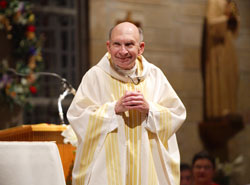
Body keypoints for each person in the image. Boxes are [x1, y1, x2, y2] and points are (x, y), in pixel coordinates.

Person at [67, 22, 186, 185]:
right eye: (117, 44)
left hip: (147, 167)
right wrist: (113, 109)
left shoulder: (154, 76)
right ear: (108, 47)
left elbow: (177, 114)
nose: (122, 51)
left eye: (129, 44)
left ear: (141, 48)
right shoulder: (95, 76)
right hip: (108, 169)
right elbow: (77, 116)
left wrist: (149, 109)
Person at [201, 0, 240, 120]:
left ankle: (230, 108)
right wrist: (226, 18)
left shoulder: (230, 2)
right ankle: (220, 110)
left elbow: (235, 26)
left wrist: (234, 19)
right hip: (216, 48)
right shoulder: (214, 1)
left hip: (227, 45)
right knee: (220, 75)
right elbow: (211, 25)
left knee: (232, 75)